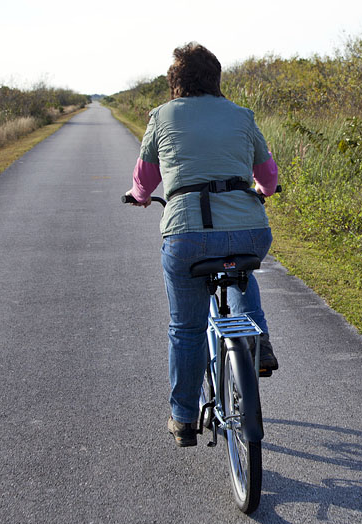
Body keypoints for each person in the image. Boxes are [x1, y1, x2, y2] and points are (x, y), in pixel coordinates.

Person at [125, 42, 278, 447]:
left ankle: (184, 418)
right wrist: (263, 189)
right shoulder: (242, 116)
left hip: (187, 236)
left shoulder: (161, 116)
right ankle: (258, 341)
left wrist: (139, 196)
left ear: (175, 83)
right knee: (241, 271)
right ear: (216, 78)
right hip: (249, 230)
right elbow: (268, 178)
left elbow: (144, 180)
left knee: (186, 328)